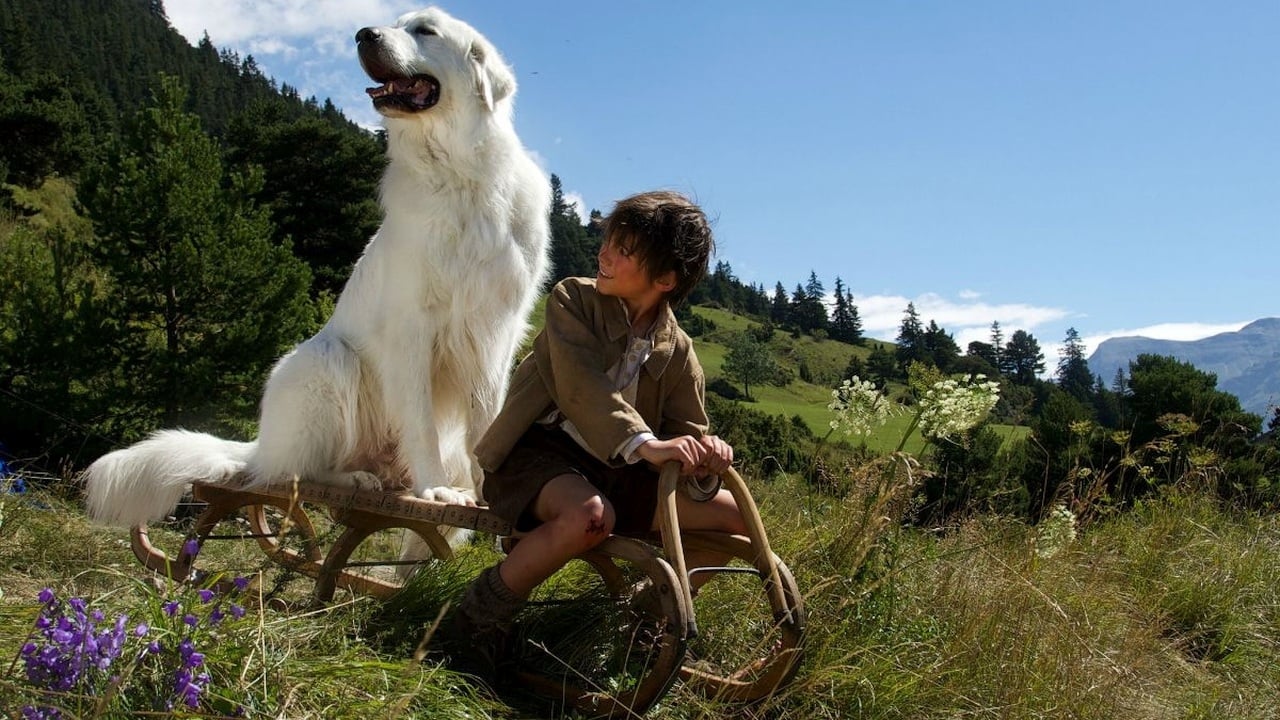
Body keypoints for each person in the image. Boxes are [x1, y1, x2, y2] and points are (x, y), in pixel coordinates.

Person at [454, 190, 747, 679]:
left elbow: (688, 431)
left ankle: (645, 620)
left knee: (732, 517)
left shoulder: (679, 352)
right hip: (538, 456)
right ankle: (478, 617)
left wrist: (705, 457)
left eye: (623, 250)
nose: (603, 254)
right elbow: (579, 386)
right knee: (591, 517)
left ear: (665, 280)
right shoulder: (573, 299)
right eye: (608, 242)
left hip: (620, 470)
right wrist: (646, 444)